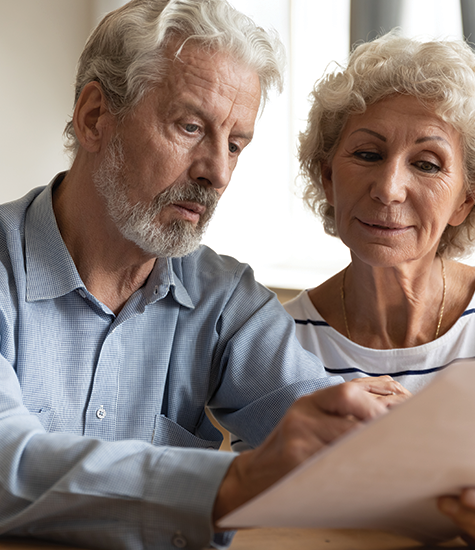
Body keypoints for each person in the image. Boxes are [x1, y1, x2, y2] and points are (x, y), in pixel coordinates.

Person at [0, 2, 409, 549]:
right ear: (95, 116)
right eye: (190, 126)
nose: (216, 171)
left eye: (236, 144)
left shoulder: (226, 300)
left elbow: (318, 420)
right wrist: (235, 481)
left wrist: (395, 442)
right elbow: (8, 467)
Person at [283, 32, 475, 539]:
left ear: (464, 203)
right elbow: (272, 515)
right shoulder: (277, 341)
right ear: (328, 178)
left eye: (428, 164)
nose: (389, 188)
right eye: (367, 154)